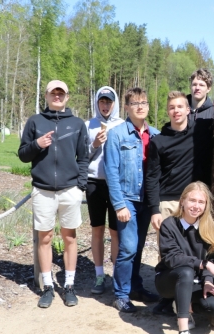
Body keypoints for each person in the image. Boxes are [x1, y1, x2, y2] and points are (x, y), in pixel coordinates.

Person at [18, 79, 89, 308]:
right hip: (43, 190)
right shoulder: (35, 122)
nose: (57, 96)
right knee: (45, 238)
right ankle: (47, 286)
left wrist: (80, 186)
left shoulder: (77, 124)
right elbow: (22, 155)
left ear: (67, 97)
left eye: (61, 93)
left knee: (70, 238)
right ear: (46, 96)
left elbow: (84, 157)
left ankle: (69, 286)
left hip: (70, 190)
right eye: (53, 93)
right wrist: (37, 144)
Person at [146, 90, 214, 315]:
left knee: (198, 245)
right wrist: (155, 209)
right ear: (168, 112)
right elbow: (152, 177)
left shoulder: (200, 133)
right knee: (167, 253)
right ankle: (167, 297)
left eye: (180, 107)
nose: (176, 111)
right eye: (171, 108)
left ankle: (193, 290)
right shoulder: (159, 142)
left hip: (194, 201)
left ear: (188, 110)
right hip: (168, 202)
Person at [154, 181, 214, 334]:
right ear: (182, 202)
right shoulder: (169, 225)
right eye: (192, 200)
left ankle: (182, 305)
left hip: (193, 282)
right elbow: (172, 259)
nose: (196, 206)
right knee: (185, 271)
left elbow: (211, 259)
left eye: (201, 202)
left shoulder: (208, 227)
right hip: (167, 280)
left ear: (206, 206)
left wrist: (208, 281)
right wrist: (205, 265)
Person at [104, 87, 161, 313]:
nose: (140, 107)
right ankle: (121, 294)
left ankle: (136, 287)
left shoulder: (155, 135)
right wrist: (119, 205)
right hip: (127, 199)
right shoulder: (117, 134)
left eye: (144, 102)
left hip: (147, 201)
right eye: (135, 103)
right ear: (126, 107)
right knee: (127, 248)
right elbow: (111, 171)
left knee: (137, 247)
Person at [85, 86, 124, 294]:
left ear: (114, 103)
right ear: (97, 103)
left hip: (115, 184)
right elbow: (82, 157)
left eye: (109, 102)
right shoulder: (88, 125)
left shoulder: (122, 125)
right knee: (97, 229)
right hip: (94, 183)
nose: (105, 105)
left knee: (116, 231)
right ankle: (99, 275)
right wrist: (94, 145)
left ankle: (117, 274)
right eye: (102, 102)